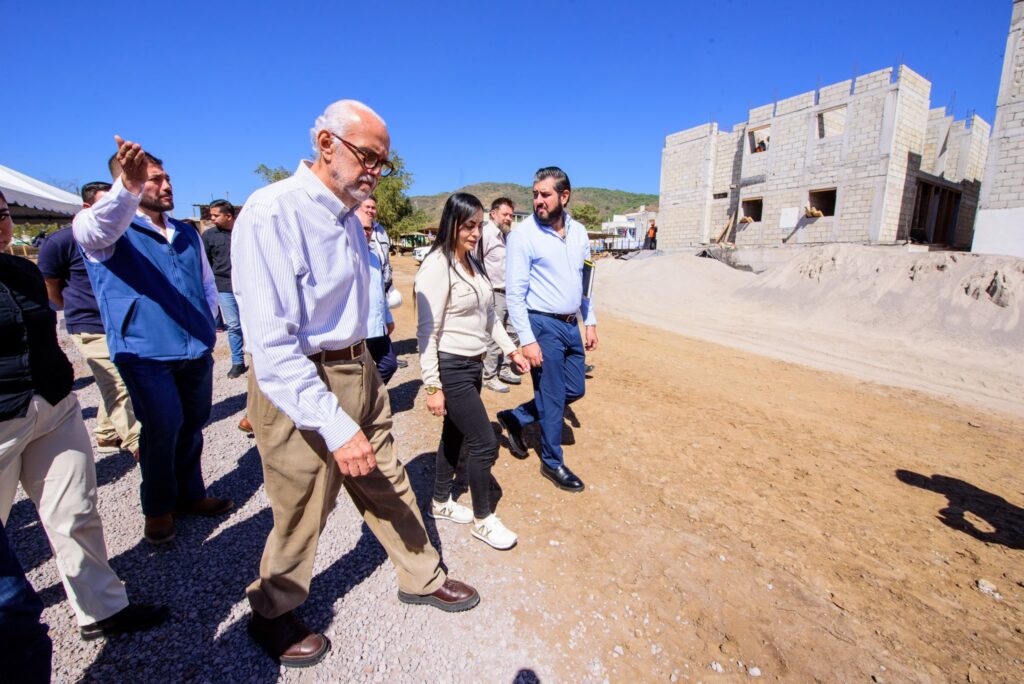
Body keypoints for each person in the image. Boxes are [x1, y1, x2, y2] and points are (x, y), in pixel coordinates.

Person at [232, 99, 479, 668]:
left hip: (359, 366)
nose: (374, 171)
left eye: (382, 163)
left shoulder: (348, 217)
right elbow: (271, 347)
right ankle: (271, 610)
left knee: (387, 477)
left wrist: (364, 376)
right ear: (325, 144)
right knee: (303, 503)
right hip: (301, 378)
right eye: (367, 156)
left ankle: (421, 574)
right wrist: (338, 427)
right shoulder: (273, 212)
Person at [0, 190, 169, 642]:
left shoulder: (21, 271)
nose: (1, 224)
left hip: (52, 408)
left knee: (75, 511)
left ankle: (102, 608)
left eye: (1, 213)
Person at [73, 139, 234, 546]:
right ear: (124, 183)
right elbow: (100, 226)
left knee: (194, 423)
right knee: (162, 427)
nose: (166, 185)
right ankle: (158, 508)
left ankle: (190, 494)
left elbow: (204, 282)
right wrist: (126, 188)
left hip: (194, 347)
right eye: (154, 179)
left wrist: (206, 321)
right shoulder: (102, 228)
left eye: (167, 178)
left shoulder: (185, 232)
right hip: (144, 351)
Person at [415, 193, 529, 550]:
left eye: (479, 225)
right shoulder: (437, 265)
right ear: (452, 223)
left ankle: (439, 502)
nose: (476, 233)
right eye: (469, 226)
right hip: (451, 367)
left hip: (474, 365)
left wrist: (512, 350)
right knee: (483, 442)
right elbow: (427, 332)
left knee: (456, 436)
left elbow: (489, 317)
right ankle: (483, 520)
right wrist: (432, 385)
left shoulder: (472, 263)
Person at [497, 167, 598, 493]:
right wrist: (527, 340)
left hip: (571, 324)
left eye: (545, 194)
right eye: (535, 194)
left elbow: (585, 283)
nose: (538, 200)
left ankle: (517, 417)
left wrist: (590, 319)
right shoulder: (523, 235)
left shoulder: (580, 232)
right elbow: (514, 293)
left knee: (575, 388)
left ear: (564, 196)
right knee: (553, 398)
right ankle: (552, 463)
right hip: (542, 323)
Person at [38, 181, 141, 458]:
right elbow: (50, 286)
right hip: (90, 326)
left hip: (124, 323)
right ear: (87, 208)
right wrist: (77, 309)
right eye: (106, 205)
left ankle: (107, 433)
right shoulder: (60, 242)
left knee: (115, 379)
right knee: (121, 383)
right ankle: (139, 444)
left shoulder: (126, 238)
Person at [478, 197, 523, 394]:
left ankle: (505, 368)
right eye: (505, 214)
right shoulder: (485, 234)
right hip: (493, 293)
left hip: (510, 293)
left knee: (513, 333)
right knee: (493, 337)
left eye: (511, 215)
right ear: (493, 214)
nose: (508, 218)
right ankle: (489, 376)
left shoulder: (507, 236)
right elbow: (477, 263)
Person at [202, 199, 247, 379]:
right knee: (234, 325)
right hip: (224, 287)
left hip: (247, 286)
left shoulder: (244, 232)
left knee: (254, 323)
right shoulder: (209, 236)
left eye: (215, 215)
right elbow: (205, 263)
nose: (212, 218)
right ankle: (238, 362)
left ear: (228, 216)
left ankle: (259, 360)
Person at [355, 199, 398, 384]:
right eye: (362, 228)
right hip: (357, 328)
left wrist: (387, 318)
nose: (367, 233)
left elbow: (379, 290)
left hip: (377, 324)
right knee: (357, 371)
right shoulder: (345, 254)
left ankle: (371, 398)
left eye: (369, 229)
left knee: (389, 364)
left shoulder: (373, 255)